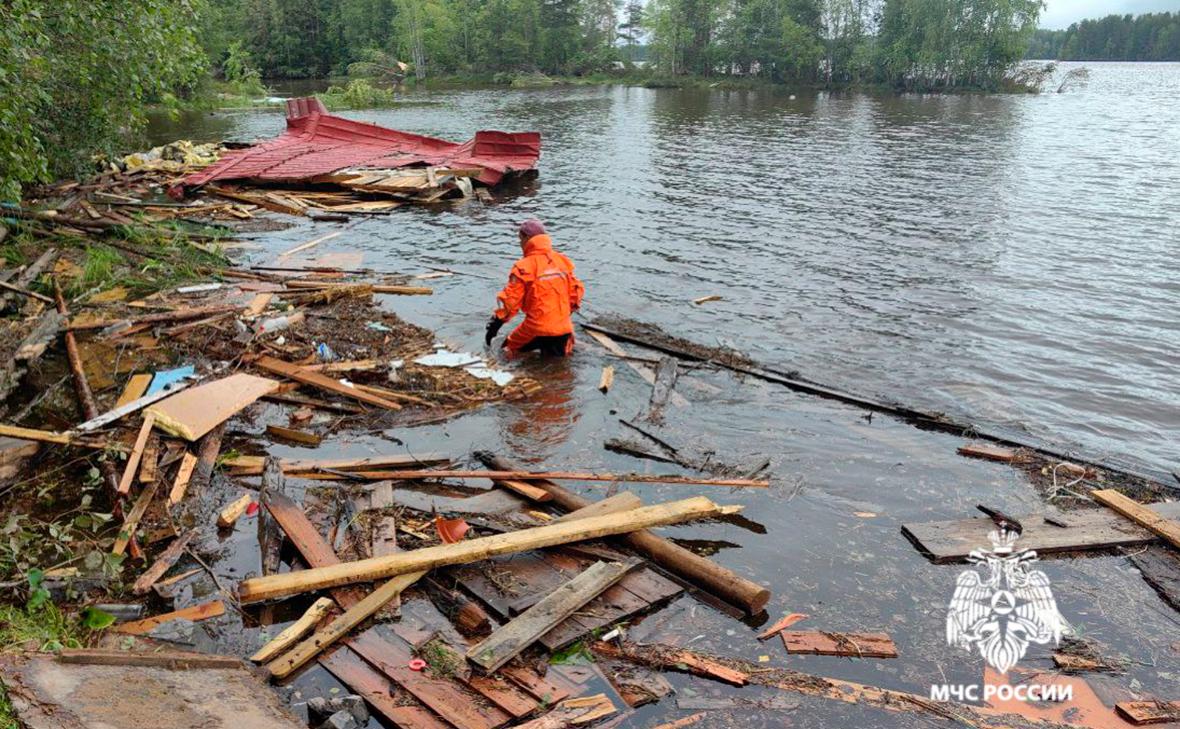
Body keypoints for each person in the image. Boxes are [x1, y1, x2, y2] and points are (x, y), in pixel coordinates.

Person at [485, 219, 584, 357]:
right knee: (559, 367)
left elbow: (510, 302)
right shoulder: (562, 261)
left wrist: (495, 325)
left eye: (520, 239)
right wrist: (561, 318)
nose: (520, 244)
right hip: (564, 329)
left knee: (506, 351)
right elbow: (575, 294)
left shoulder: (523, 267)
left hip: (536, 328)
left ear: (526, 238)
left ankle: (511, 374)